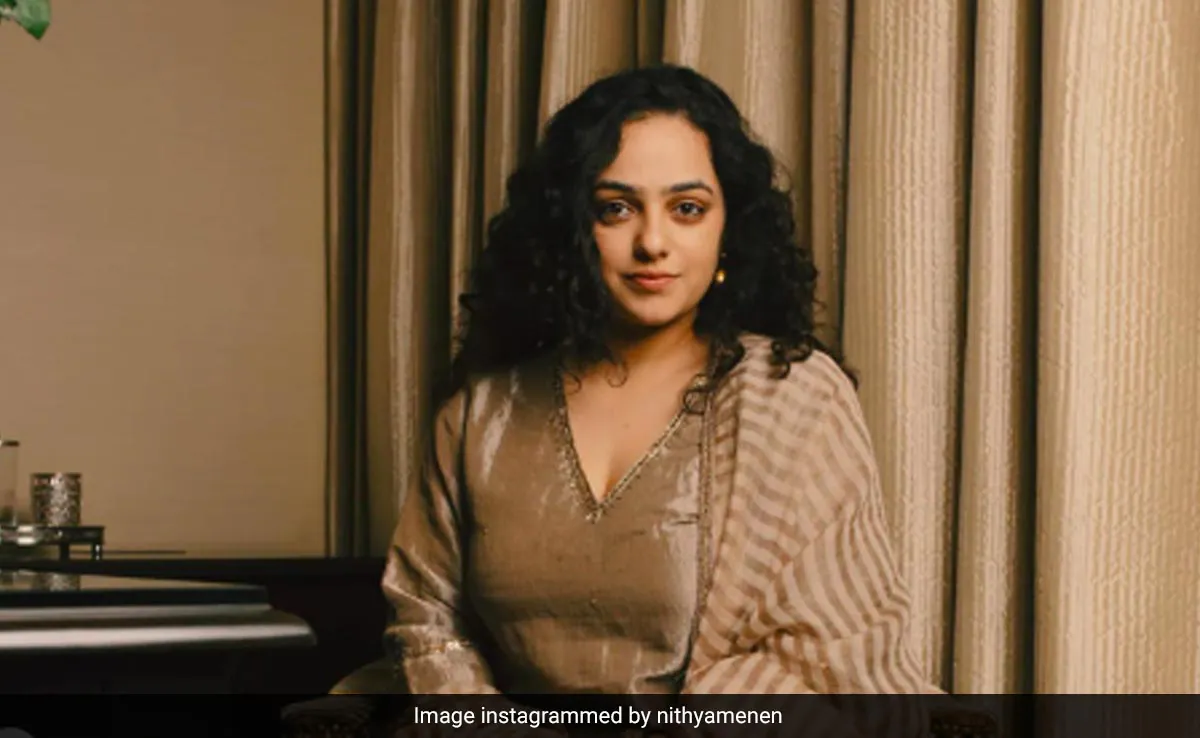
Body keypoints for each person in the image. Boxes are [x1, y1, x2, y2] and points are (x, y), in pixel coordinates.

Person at [381, 64, 939, 701]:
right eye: (616, 209)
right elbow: (426, 620)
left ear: (728, 229)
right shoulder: (482, 414)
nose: (652, 242)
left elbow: (827, 655)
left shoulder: (794, 399)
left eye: (687, 209)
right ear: (572, 228)